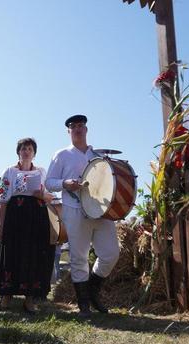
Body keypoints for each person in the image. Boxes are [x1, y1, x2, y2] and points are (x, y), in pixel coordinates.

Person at [45, 114, 121, 317]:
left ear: (86, 129)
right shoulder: (61, 155)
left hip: (101, 211)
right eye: (73, 126)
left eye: (81, 126)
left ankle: (93, 291)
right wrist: (65, 183)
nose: (77, 129)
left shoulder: (98, 156)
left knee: (111, 253)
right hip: (74, 209)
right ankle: (84, 305)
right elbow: (49, 182)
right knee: (78, 257)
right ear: (68, 131)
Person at [0, 138, 54, 314]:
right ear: (18, 152)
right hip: (15, 217)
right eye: (23, 148)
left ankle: (29, 299)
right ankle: (6, 296)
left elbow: (50, 196)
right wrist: (1, 225)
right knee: (11, 254)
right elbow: (2, 200)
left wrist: (42, 195)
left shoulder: (42, 172)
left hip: (36, 218)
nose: (26, 151)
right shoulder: (9, 171)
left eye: (29, 148)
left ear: (34, 153)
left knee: (34, 256)